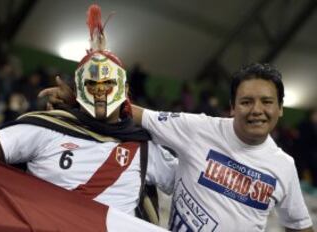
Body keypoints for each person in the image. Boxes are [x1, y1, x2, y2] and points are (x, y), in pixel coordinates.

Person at [0, 4, 177, 224]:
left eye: (108, 83)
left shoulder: (144, 148)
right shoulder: (46, 128)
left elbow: (186, 180)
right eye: (92, 84)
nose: (100, 91)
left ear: (125, 89)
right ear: (79, 89)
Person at [41, 63, 314, 231]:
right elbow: (133, 112)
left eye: (267, 102)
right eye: (246, 102)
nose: (257, 110)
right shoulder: (197, 128)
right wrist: (79, 99)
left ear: (280, 109)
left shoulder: (284, 166)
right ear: (232, 108)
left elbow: (299, 226)